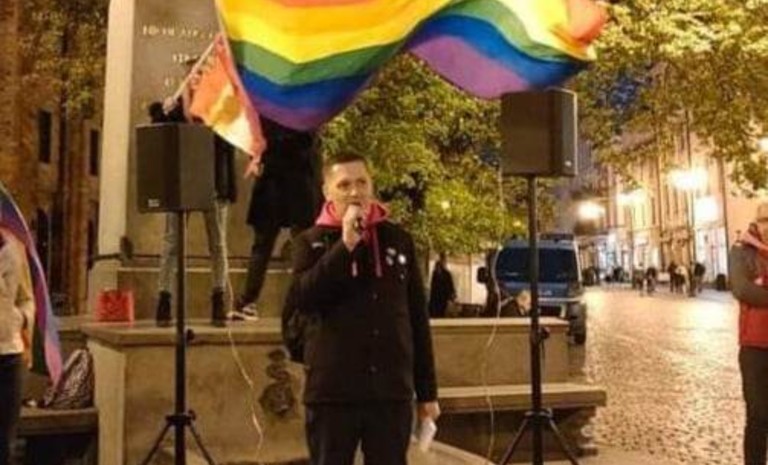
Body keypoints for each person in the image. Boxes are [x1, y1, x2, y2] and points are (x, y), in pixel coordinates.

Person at [286, 154, 439, 465]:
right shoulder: (309, 242)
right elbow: (303, 298)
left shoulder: (398, 240)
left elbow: (416, 319)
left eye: (362, 182)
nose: (355, 192)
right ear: (327, 191)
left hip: (389, 392)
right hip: (333, 392)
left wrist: (427, 392)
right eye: (344, 185)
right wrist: (345, 247)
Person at [152, 58, 237, 327]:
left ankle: (218, 298)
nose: (196, 80)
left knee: (218, 244)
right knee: (171, 243)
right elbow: (158, 131)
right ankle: (164, 298)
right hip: (181, 183)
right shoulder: (176, 108)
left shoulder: (220, 109)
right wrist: (162, 111)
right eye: (192, 75)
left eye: (201, 74)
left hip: (214, 183)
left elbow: (228, 148)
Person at [235, 117, 322, 317]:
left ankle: (300, 301)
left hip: (288, 181)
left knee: (297, 245)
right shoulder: (302, 110)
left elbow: (307, 141)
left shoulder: (274, 109)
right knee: (269, 244)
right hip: (284, 182)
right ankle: (249, 300)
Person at [729, 203, 768, 465]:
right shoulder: (741, 250)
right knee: (757, 415)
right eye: (765, 220)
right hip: (754, 346)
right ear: (757, 222)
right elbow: (742, 289)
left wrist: (762, 286)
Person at [0, 228, 34, 465]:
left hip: (10, 354)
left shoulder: (14, 247)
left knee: (5, 443)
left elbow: (26, 298)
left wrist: (20, 319)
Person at [428, 253, 456, 318]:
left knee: (441, 311)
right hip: (437, 297)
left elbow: (450, 285)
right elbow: (433, 287)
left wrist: (452, 295)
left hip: (443, 297)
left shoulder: (446, 274)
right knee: (438, 311)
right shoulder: (436, 274)